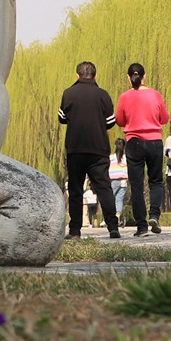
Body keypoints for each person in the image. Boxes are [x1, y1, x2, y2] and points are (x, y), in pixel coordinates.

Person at [58, 62, 120, 238]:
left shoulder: (68, 93)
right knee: (104, 188)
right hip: (98, 149)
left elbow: (62, 118)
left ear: (77, 75)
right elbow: (110, 122)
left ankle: (75, 230)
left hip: (75, 148)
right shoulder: (103, 95)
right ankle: (113, 228)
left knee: (76, 190)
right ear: (95, 75)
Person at [115, 62, 170, 236]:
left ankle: (141, 226)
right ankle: (154, 215)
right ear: (144, 76)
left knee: (137, 185)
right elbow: (165, 118)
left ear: (128, 78)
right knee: (155, 182)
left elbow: (119, 120)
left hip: (134, 143)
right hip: (154, 142)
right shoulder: (155, 95)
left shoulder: (124, 97)